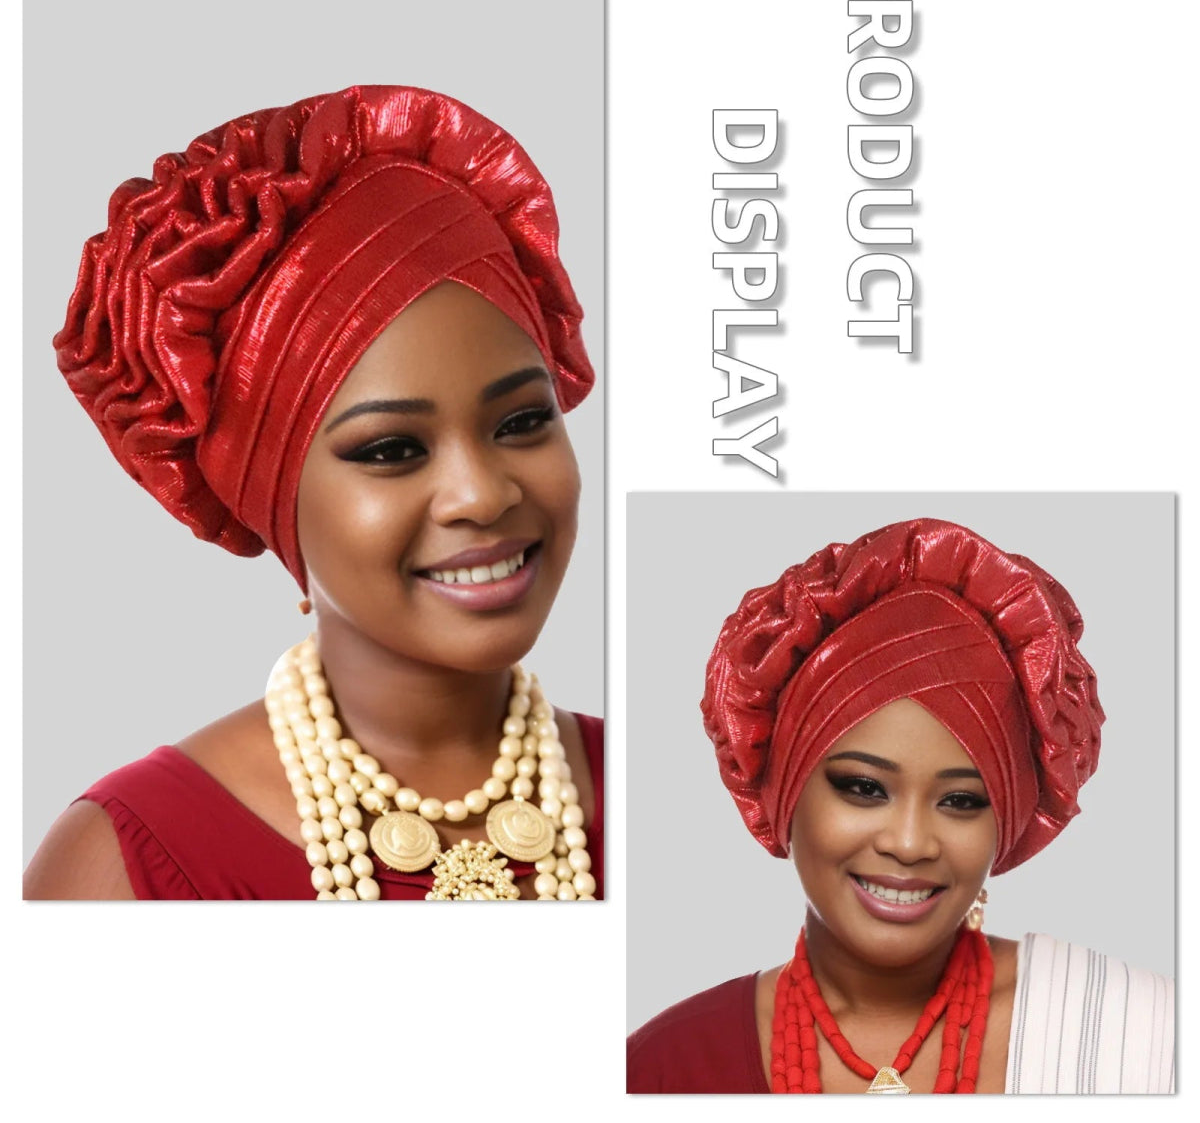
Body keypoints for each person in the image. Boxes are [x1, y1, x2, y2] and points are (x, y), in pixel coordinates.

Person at [24, 85, 602, 902]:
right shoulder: (131, 868)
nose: (480, 494)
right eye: (391, 450)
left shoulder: (651, 794)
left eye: (522, 422)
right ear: (271, 498)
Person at [627, 518, 1172, 1092]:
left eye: (961, 800)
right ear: (781, 790)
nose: (909, 843)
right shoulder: (664, 1068)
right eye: (864, 788)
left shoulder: (1142, 1040)